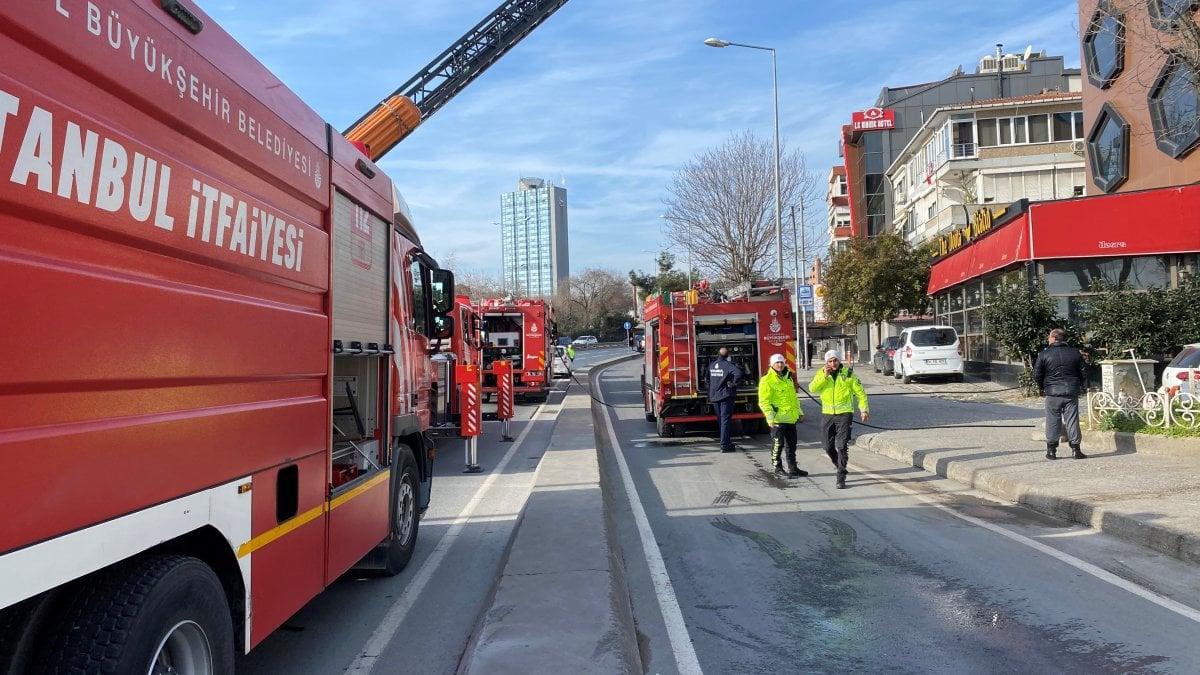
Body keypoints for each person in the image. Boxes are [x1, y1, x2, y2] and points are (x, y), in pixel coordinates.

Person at [808, 350, 869, 489]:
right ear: (826, 363)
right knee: (827, 447)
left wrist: (864, 409)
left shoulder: (848, 374)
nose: (833, 363)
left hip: (844, 415)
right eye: (830, 361)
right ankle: (839, 465)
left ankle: (841, 475)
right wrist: (824, 376)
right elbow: (812, 388)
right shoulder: (822, 373)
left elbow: (860, 393)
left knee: (841, 446)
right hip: (828, 414)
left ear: (839, 361)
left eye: (835, 360)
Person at [1033, 328, 1088, 460]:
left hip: (1052, 392)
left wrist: (1042, 388)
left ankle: (1051, 451)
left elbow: (1037, 374)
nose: (1048, 339)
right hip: (1071, 391)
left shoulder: (1044, 354)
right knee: (1072, 420)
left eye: (1049, 337)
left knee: (1052, 420)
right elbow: (1084, 372)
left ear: (1053, 338)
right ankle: (1076, 449)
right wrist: (1083, 387)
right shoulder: (1074, 353)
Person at [758, 353, 807, 477]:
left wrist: (800, 412)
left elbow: (793, 399)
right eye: (777, 363)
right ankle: (778, 467)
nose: (779, 365)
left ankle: (793, 468)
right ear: (771, 365)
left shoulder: (788, 378)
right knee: (778, 445)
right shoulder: (766, 380)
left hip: (790, 418)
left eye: (781, 362)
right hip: (777, 419)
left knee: (792, 445)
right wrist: (770, 418)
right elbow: (764, 401)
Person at [708, 346, 743, 453]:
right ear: (728, 355)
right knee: (725, 420)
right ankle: (725, 445)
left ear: (718, 354)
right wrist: (733, 383)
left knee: (721, 420)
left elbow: (707, 377)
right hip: (725, 396)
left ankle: (724, 441)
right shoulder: (728, 365)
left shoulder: (711, 365)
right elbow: (739, 373)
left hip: (714, 396)